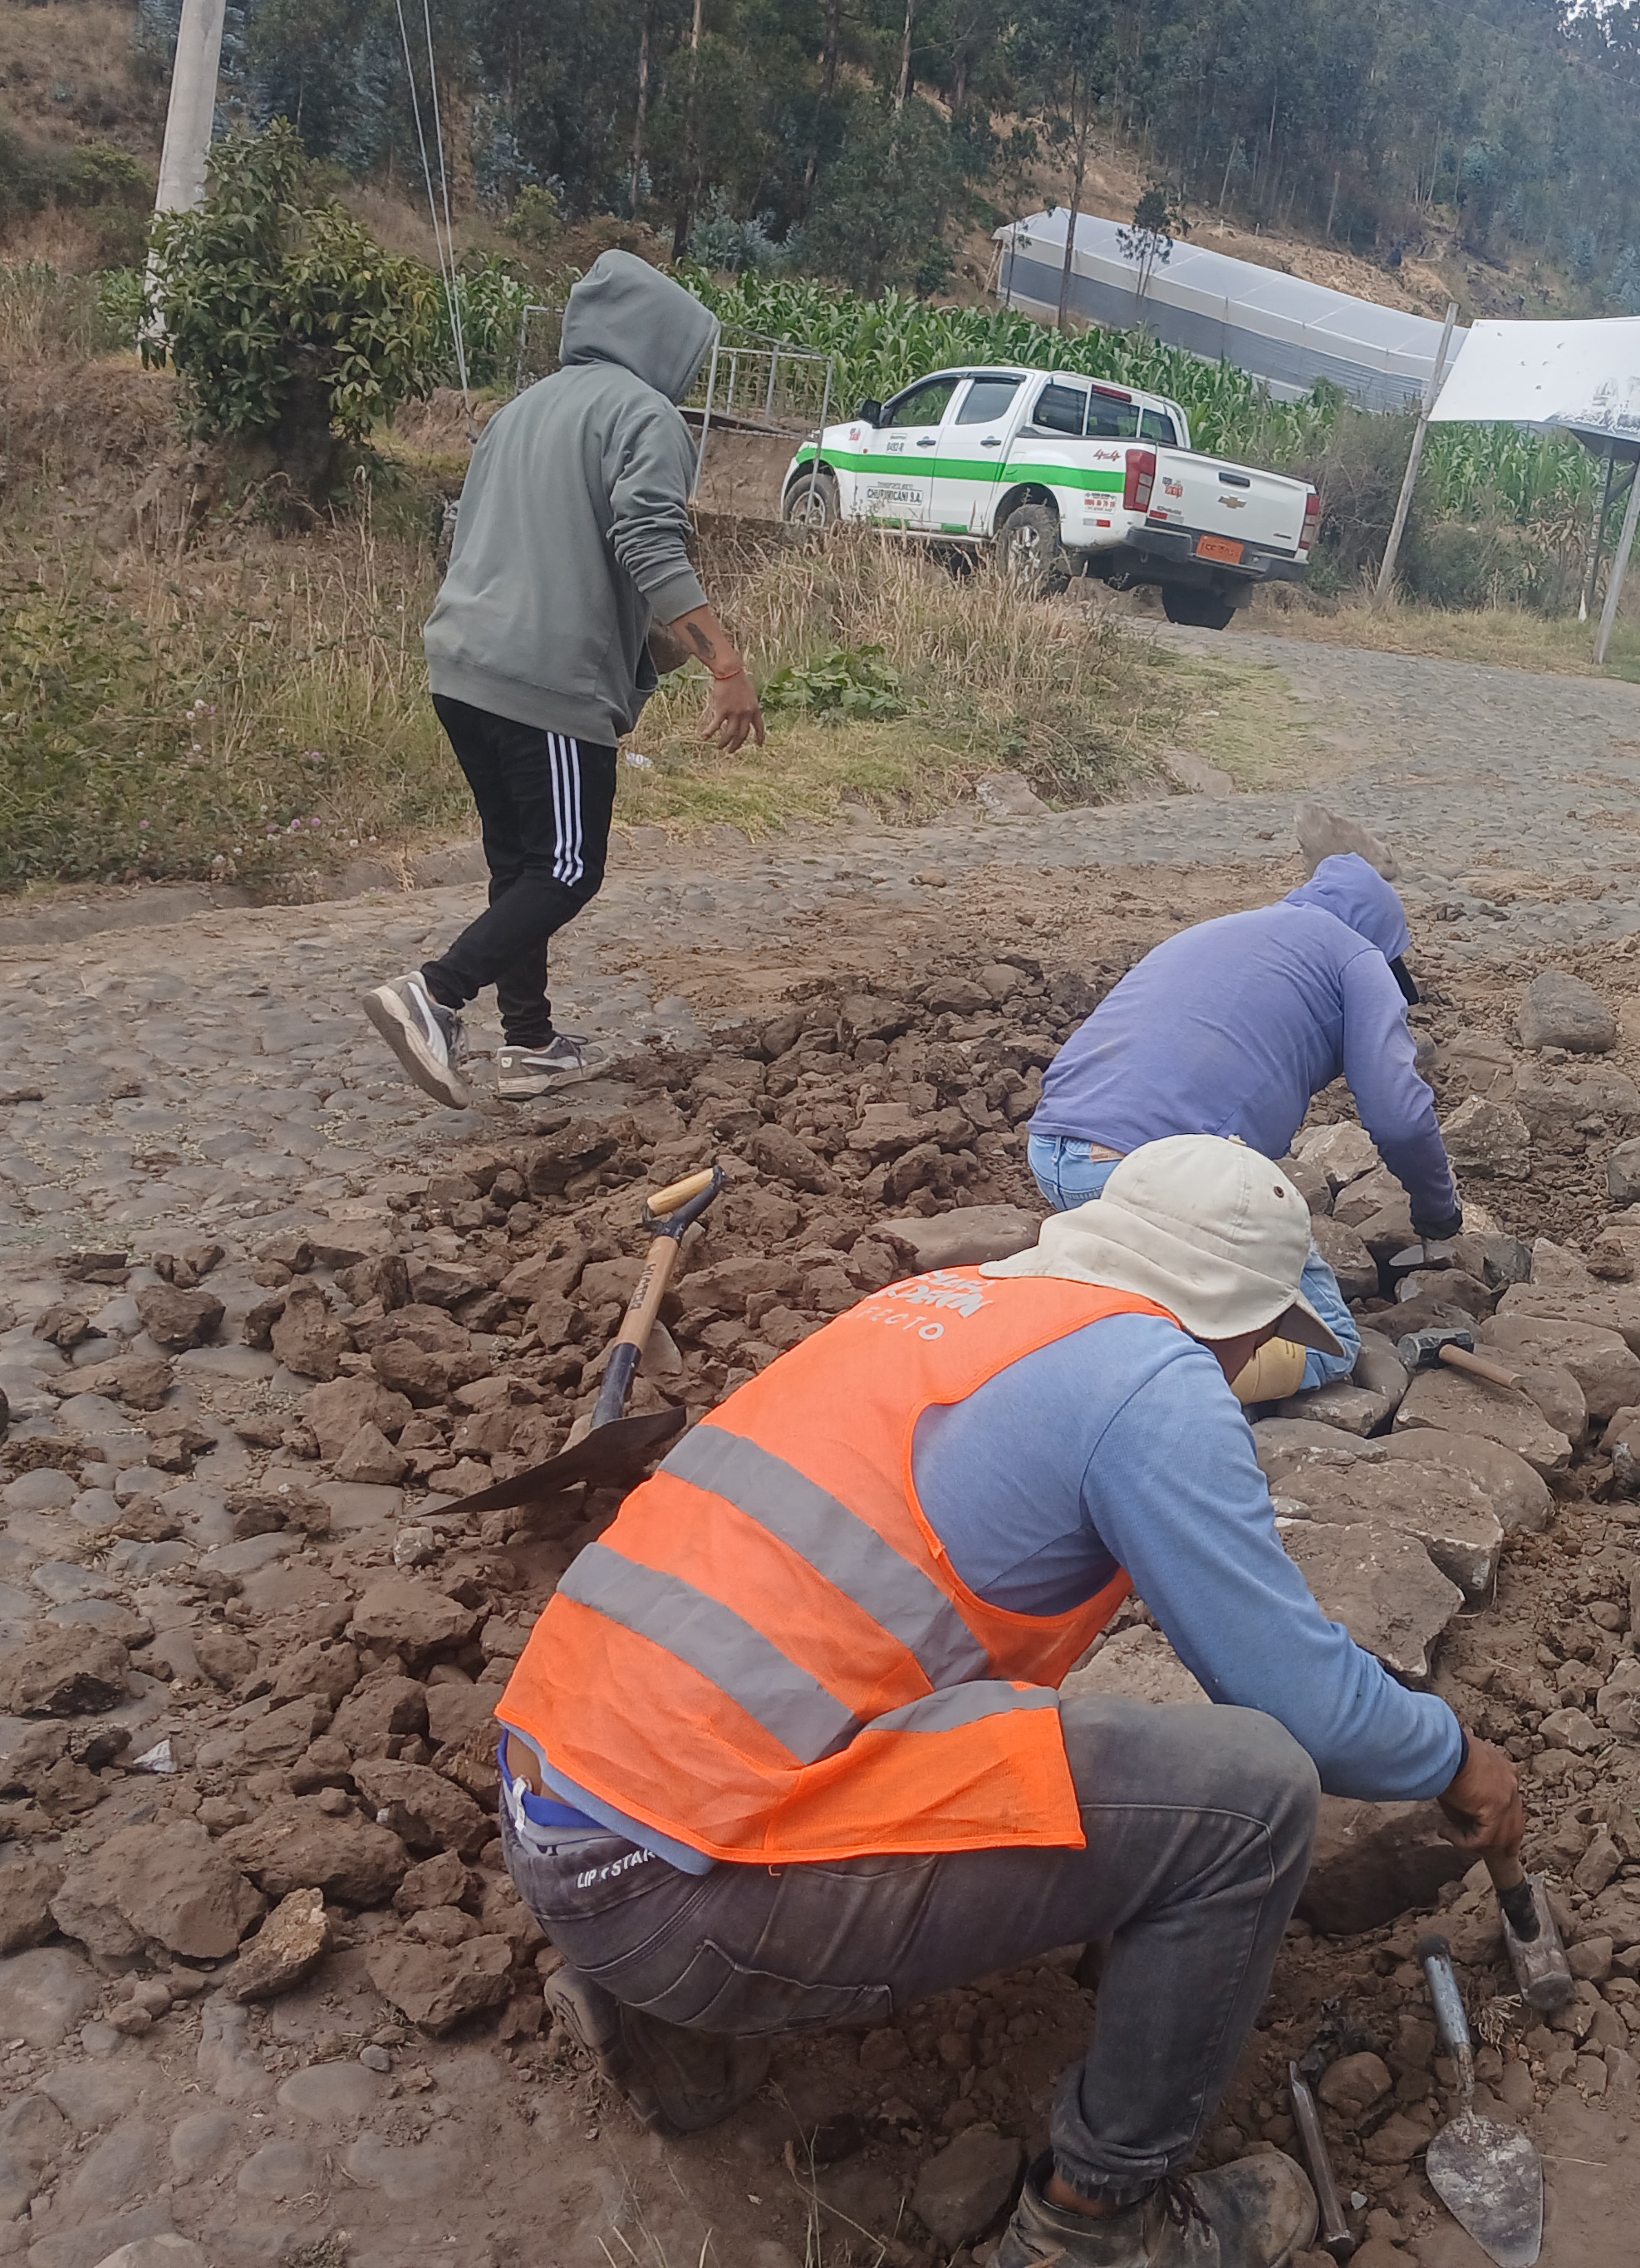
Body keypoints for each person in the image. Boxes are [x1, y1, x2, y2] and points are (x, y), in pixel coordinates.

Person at [495, 1135, 1526, 2268]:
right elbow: (1308, 1708)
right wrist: (1457, 1757)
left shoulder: (937, 1309)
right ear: (1238, 1313)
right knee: (1252, 1799)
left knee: (963, 1735)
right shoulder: (1151, 1379)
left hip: (551, 1811)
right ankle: (1097, 2224)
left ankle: (660, 2021)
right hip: (679, 1898)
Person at [361, 250, 767, 1112]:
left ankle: (531, 1042)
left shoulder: (522, 410)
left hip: (462, 665)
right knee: (570, 867)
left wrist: (642, 646)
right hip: (545, 684)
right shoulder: (645, 415)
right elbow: (649, 542)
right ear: (662, 342)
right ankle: (433, 994)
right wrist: (725, 665)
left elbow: (538, 546)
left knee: (521, 866)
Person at [1028, 853, 1459, 1402]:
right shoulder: (1359, 957)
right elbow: (1401, 1120)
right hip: (1153, 1178)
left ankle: (1090, 1338)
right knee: (1330, 1342)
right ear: (1384, 936)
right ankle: (1141, 1391)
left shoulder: (1222, 930)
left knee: (1164, 1291)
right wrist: (1437, 1211)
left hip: (1054, 1152)